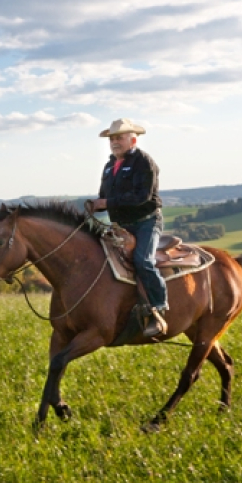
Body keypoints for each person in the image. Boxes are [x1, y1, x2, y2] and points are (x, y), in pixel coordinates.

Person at [89, 118, 168, 337]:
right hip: (121, 225)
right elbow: (105, 196)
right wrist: (96, 205)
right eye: (112, 138)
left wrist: (107, 203)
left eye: (119, 137)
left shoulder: (144, 162)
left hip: (146, 222)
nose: (115, 141)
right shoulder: (108, 166)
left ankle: (159, 308)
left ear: (132, 139)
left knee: (143, 261)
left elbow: (142, 197)